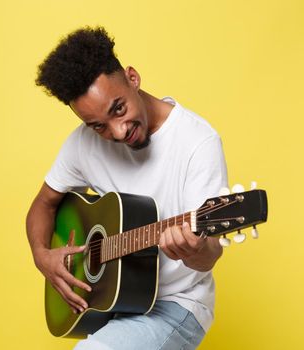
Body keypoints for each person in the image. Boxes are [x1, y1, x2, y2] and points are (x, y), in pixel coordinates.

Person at [26, 27, 228, 349]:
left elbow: (210, 254)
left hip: (176, 305)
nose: (118, 132)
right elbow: (44, 204)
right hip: (112, 302)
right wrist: (42, 255)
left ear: (132, 78)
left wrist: (194, 249)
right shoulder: (83, 144)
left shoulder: (197, 143)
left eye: (118, 109)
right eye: (98, 126)